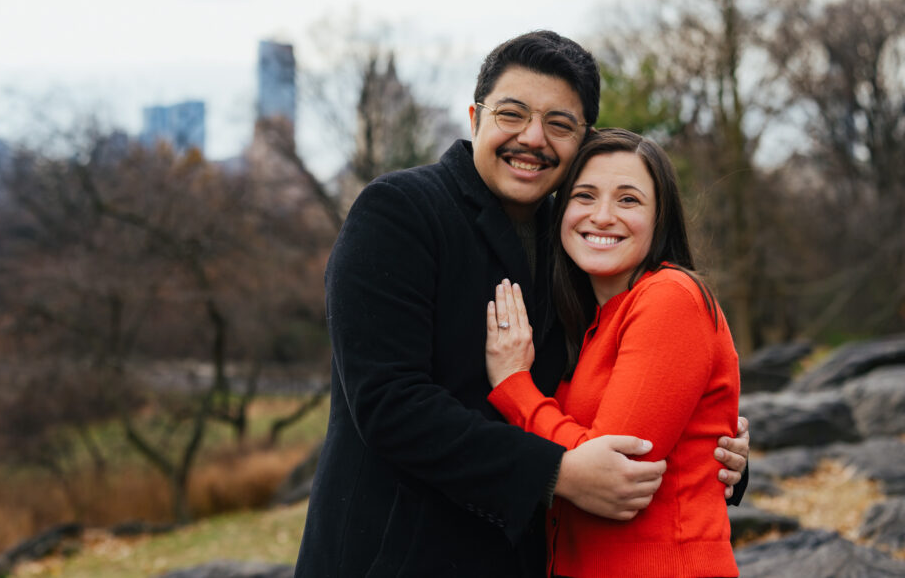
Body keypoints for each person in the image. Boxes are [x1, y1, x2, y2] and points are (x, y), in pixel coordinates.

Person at [294, 31, 748, 577]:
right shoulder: (399, 212)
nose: (532, 138)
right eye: (512, 114)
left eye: (559, 124)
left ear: (584, 140)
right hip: (399, 556)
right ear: (474, 118)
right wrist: (558, 472)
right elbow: (390, 402)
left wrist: (706, 452)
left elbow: (610, 403)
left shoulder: (578, 243)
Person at [486, 128, 741, 577]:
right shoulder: (591, 324)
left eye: (628, 200)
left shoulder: (670, 297)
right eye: (584, 196)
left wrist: (514, 386)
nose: (602, 216)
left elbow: (615, 470)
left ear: (661, 218)